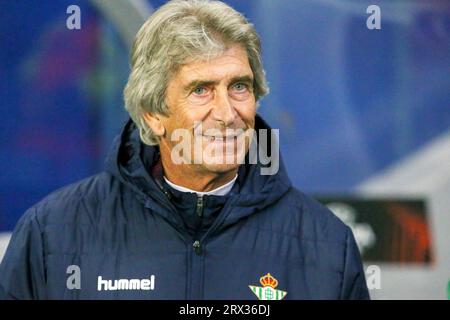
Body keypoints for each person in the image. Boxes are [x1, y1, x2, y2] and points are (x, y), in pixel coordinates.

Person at [0, 0, 369, 300]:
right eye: (201, 90)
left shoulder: (326, 245)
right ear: (153, 114)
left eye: (239, 87)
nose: (227, 114)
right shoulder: (52, 234)